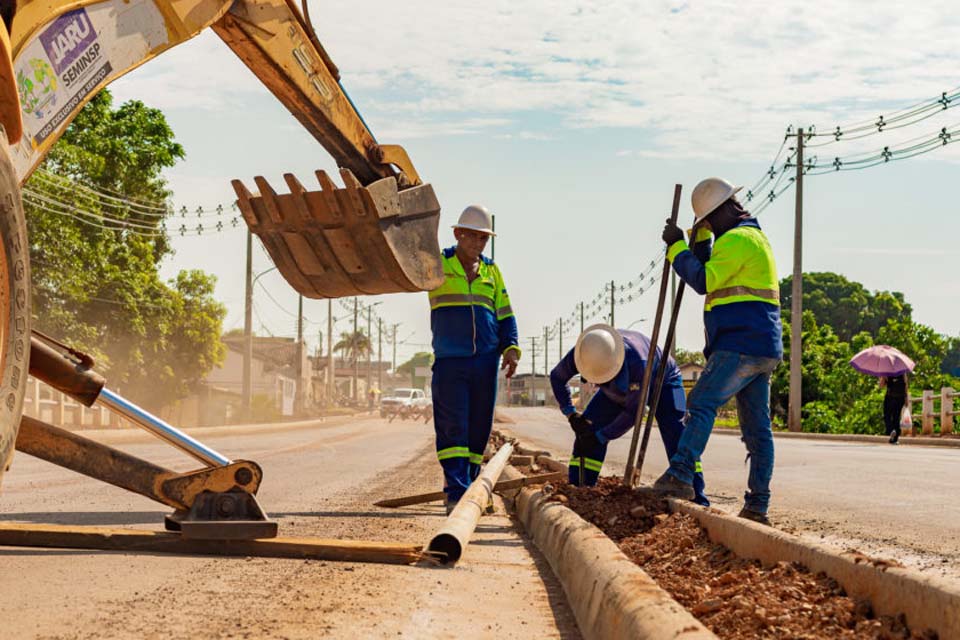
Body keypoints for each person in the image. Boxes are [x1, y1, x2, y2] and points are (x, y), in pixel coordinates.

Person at [653, 177, 782, 525]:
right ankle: (758, 505)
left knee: (702, 403)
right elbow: (711, 268)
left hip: (740, 342)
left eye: (708, 221)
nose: (708, 226)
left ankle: (680, 475)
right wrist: (699, 242)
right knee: (757, 430)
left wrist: (677, 248)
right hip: (761, 345)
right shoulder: (751, 238)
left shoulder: (737, 239)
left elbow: (704, 281)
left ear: (723, 212)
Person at [550, 324, 708, 505]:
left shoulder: (637, 361)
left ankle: (697, 497)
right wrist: (571, 415)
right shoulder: (584, 352)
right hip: (616, 388)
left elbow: (633, 413)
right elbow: (557, 376)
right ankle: (580, 489)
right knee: (587, 429)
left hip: (663, 380)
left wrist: (601, 437)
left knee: (677, 435)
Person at [429, 205, 520, 513]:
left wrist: (511, 347)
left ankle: (469, 484)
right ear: (458, 234)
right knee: (453, 427)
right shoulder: (437, 265)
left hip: (485, 362)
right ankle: (455, 489)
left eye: (483, 239)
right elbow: (406, 271)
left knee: (479, 428)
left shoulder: (492, 271)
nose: (479, 244)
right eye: (473, 237)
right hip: (450, 361)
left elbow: (506, 314)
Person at [880, 374, 909, 444]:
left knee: (887, 416)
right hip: (901, 398)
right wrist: (906, 398)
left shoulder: (887, 371)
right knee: (896, 417)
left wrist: (882, 377)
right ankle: (895, 439)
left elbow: (881, 386)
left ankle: (891, 430)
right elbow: (906, 384)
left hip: (890, 397)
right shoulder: (902, 371)